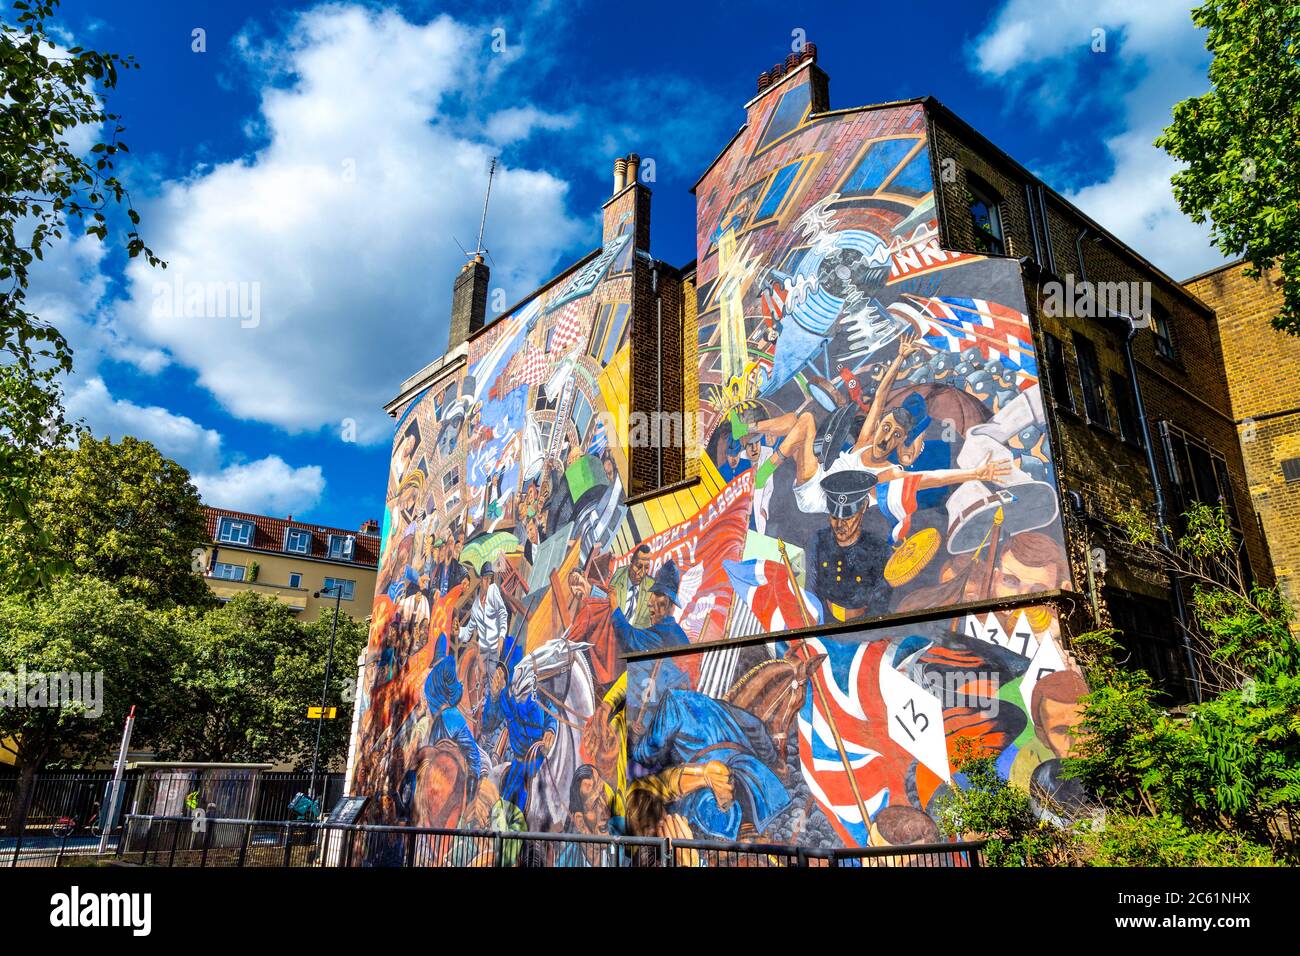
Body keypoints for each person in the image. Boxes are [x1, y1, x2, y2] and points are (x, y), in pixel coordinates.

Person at [805, 470, 888, 622]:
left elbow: (880, 604)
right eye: (834, 517)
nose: (839, 525)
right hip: (824, 622)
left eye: (848, 517)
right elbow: (811, 587)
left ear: (864, 507)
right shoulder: (819, 541)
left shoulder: (879, 549)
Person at [610, 558, 690, 653]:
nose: (649, 603)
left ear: (666, 602)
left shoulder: (663, 632)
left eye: (657, 594)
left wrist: (614, 607)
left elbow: (630, 638)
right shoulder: (675, 631)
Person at [459, 561, 509, 675]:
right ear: (481, 579)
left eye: (490, 579)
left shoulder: (493, 591)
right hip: (483, 651)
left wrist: (501, 637)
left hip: (496, 648)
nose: (489, 582)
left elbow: (503, 613)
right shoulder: (476, 606)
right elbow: (467, 633)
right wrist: (458, 632)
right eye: (486, 578)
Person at [608, 544, 654, 629]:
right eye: (638, 566)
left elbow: (647, 624)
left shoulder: (651, 587)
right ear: (631, 561)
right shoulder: (619, 575)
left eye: (646, 568)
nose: (642, 573)